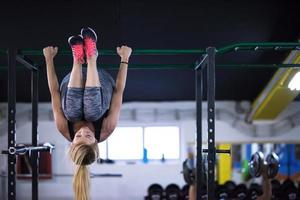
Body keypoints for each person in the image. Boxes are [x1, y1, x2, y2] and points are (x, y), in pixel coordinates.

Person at [43, 27, 132, 200]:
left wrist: (48, 60)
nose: (83, 131)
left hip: (71, 81)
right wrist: (125, 58)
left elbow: (54, 92)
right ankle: (92, 57)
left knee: (72, 113)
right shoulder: (106, 129)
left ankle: (77, 59)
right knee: (92, 114)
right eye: (89, 136)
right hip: (101, 80)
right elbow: (118, 92)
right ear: (96, 142)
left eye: (78, 136)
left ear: (71, 142)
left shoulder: (64, 128)